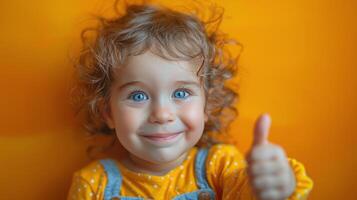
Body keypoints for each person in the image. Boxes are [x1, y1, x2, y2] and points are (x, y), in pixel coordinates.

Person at [68, 1, 313, 199]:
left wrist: (278, 184)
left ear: (206, 104)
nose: (162, 114)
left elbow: (248, 191)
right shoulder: (93, 185)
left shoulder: (220, 167)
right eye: (138, 95)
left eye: (181, 93)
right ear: (108, 113)